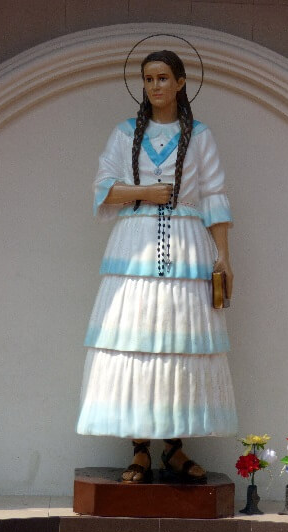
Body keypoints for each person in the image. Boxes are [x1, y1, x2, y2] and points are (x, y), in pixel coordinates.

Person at [76, 49, 238, 484]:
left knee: (180, 343)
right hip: (134, 249)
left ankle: (175, 448)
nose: (156, 86)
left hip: (187, 250)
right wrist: (146, 194)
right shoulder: (124, 133)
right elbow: (103, 189)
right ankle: (140, 449)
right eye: (149, 79)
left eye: (164, 78)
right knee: (137, 339)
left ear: (181, 83)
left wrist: (223, 256)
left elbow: (215, 197)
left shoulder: (200, 136)